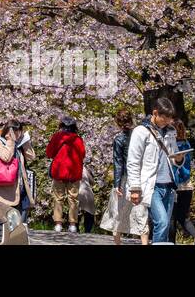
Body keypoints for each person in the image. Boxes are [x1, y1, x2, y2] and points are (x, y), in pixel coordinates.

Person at [126, 97, 180, 245]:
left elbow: (173, 157)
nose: (168, 121)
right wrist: (135, 188)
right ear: (155, 113)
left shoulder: (170, 132)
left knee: (165, 224)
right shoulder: (141, 131)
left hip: (168, 184)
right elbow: (133, 161)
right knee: (161, 222)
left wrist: (179, 159)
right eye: (164, 117)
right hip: (152, 184)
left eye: (170, 118)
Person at [99, 109, 135, 244]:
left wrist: (117, 184)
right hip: (141, 177)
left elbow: (118, 162)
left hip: (125, 178)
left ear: (118, 123)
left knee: (118, 212)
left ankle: (117, 242)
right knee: (140, 211)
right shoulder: (140, 135)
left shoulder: (119, 139)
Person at [46, 114, 86, 232]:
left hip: (59, 171)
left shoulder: (57, 137)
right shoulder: (78, 139)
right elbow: (82, 155)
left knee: (58, 198)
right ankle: (72, 224)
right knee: (73, 199)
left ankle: (58, 224)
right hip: (74, 173)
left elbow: (49, 153)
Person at [0, 121, 34, 214]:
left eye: (19, 131)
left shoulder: (19, 144)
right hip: (5, 191)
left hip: (21, 187)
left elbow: (31, 157)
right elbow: (6, 157)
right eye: (16, 131)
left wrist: (26, 142)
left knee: (22, 221)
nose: (18, 133)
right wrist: (10, 141)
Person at [170, 120, 195, 243]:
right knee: (184, 217)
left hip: (175, 186)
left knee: (172, 218)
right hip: (187, 185)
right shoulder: (187, 144)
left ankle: (171, 242)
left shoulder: (171, 145)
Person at [77, 166, 96, 233]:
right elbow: (92, 182)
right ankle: (88, 230)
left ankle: (75, 229)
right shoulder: (85, 168)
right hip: (87, 192)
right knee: (89, 213)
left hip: (76, 192)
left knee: (75, 211)